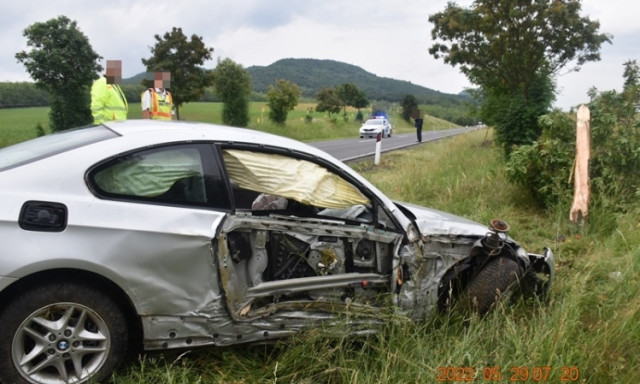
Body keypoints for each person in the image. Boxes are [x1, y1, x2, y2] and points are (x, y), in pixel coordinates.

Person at [91, 60, 128, 124]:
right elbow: (96, 105)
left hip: (117, 124)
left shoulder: (114, 85)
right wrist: (99, 123)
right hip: (108, 125)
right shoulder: (102, 82)